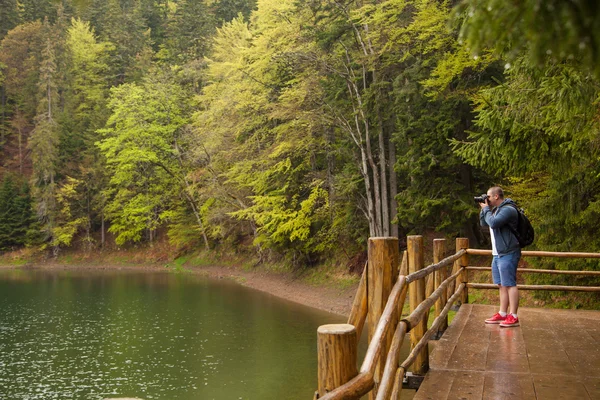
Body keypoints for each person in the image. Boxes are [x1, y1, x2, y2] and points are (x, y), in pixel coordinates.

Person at [479, 186, 521, 327]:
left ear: (496, 196)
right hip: (497, 254)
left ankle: (513, 315)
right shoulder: (495, 210)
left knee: (509, 284)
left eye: (489, 197)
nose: (487, 199)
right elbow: (484, 223)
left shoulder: (508, 209)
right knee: (501, 285)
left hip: (508, 252)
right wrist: (483, 209)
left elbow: (494, 223)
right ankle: (503, 313)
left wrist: (486, 209)